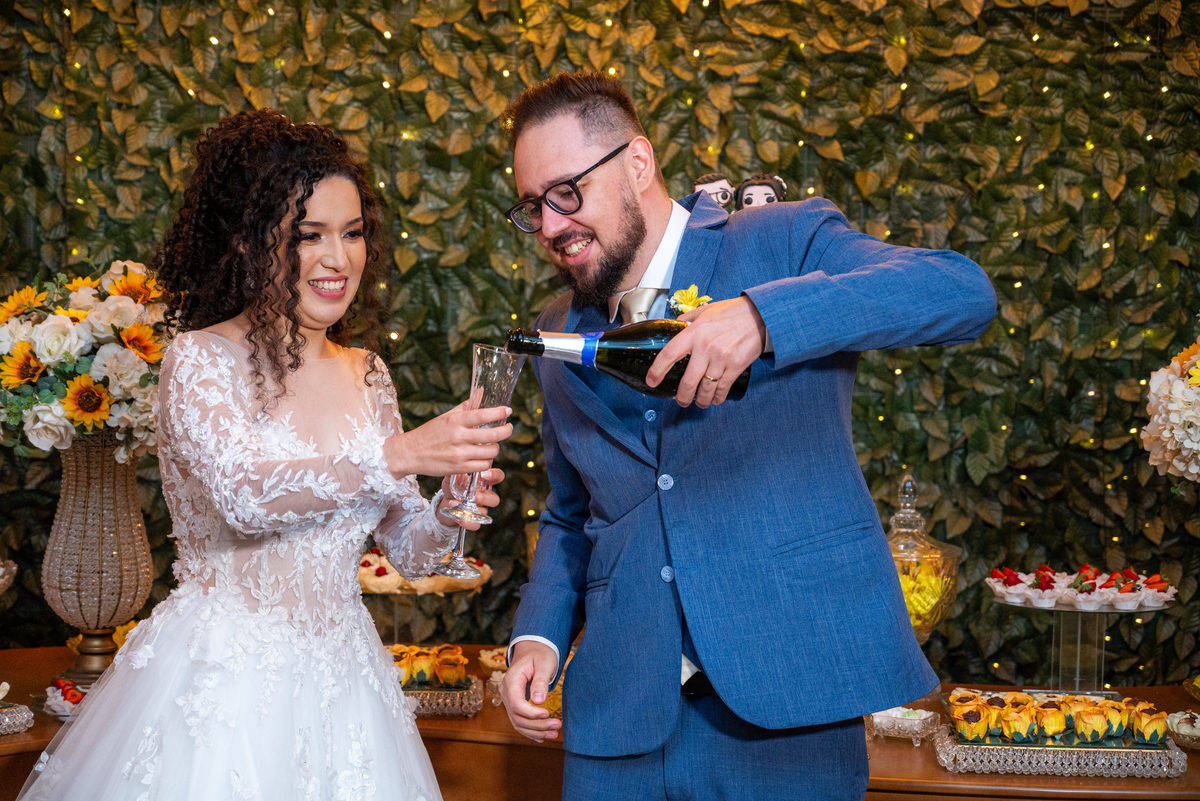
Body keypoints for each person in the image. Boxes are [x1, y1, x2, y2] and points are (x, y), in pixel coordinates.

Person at [498, 72, 996, 800]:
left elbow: (961, 293)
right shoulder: (555, 329)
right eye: (533, 206)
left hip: (788, 701)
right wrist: (536, 635)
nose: (550, 225)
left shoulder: (783, 241)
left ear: (637, 163)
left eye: (566, 193)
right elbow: (570, 512)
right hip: (616, 721)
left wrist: (766, 318)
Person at [19, 110, 511, 801]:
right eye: (308, 237)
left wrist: (452, 501)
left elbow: (409, 549)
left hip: (349, 692)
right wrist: (399, 453)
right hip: (224, 693)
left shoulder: (368, 372)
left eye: (352, 232)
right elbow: (245, 497)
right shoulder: (198, 360)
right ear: (250, 244)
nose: (338, 259)